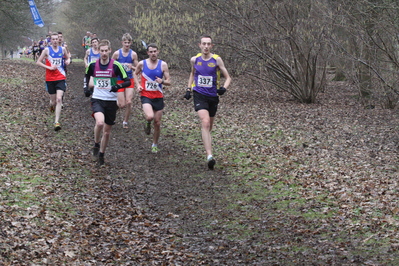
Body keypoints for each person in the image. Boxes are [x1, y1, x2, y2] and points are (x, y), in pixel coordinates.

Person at [184, 35, 232, 170]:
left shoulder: (217, 60)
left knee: (209, 126)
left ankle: (206, 141)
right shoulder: (195, 59)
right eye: (203, 44)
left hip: (213, 96)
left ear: (212, 46)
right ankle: (210, 156)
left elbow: (228, 77)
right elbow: (192, 74)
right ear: (199, 45)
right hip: (199, 94)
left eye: (208, 44)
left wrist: (224, 88)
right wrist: (188, 89)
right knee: (204, 122)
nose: (206, 46)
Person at [85, 39, 131, 166]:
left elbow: (127, 81)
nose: (104, 53)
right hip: (97, 98)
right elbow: (87, 75)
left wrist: (117, 87)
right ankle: (96, 143)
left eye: (106, 51)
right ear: (98, 51)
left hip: (111, 101)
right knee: (99, 123)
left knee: (107, 132)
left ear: (110, 51)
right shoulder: (93, 65)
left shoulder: (116, 65)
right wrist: (86, 88)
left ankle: (101, 154)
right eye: (102, 51)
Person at [133, 43, 171, 153]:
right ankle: (147, 123)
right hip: (146, 95)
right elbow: (135, 74)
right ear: (147, 53)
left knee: (157, 123)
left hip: (158, 96)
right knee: (150, 116)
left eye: (155, 51)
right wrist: (138, 85)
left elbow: (169, 81)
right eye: (151, 51)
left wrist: (162, 81)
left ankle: (154, 144)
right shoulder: (142, 64)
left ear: (158, 52)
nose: (153, 53)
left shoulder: (163, 65)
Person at [36, 32, 71, 131]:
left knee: (59, 99)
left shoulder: (63, 49)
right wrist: (49, 67)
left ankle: (56, 122)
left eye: (56, 39)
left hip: (60, 77)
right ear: (50, 40)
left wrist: (68, 61)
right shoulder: (47, 50)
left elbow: (68, 58)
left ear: (59, 40)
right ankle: (51, 105)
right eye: (53, 39)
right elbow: (38, 62)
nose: (55, 41)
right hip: (50, 78)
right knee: (53, 101)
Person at [112, 33, 138, 128]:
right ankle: (114, 107)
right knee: (121, 104)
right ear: (122, 43)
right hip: (119, 80)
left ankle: (125, 121)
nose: (127, 44)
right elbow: (110, 66)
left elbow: (139, 68)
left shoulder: (133, 54)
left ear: (131, 43)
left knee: (129, 102)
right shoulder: (117, 54)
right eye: (125, 42)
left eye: (128, 42)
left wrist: (132, 67)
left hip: (129, 79)